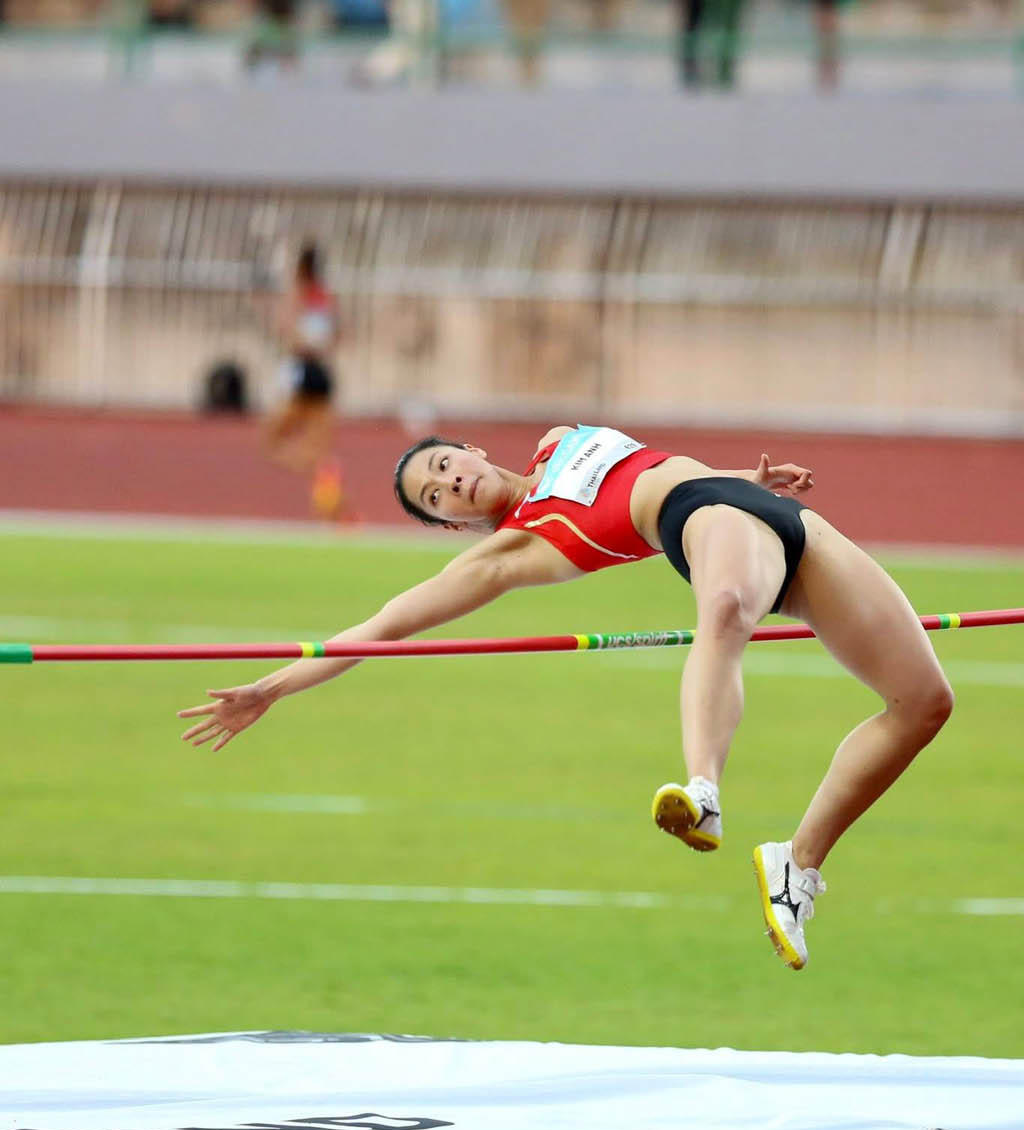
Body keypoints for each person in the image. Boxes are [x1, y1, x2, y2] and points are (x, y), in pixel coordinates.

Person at [179, 425, 954, 970]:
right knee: (723, 610)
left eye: (445, 465)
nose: (452, 482)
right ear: (451, 525)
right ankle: (704, 791)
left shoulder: (558, 440)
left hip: (776, 517)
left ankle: (796, 864)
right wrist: (271, 687)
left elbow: (655, 467)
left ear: (470, 448)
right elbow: (384, 625)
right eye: (437, 496)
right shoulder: (513, 548)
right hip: (707, 524)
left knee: (922, 703)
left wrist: (746, 480)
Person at [262, 241, 349, 522]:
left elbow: (286, 330)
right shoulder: (327, 296)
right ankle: (328, 493)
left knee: (272, 441)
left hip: (302, 373)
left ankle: (321, 473)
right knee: (319, 448)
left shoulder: (297, 295)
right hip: (322, 372)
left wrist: (303, 344)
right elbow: (337, 335)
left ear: (299, 267)